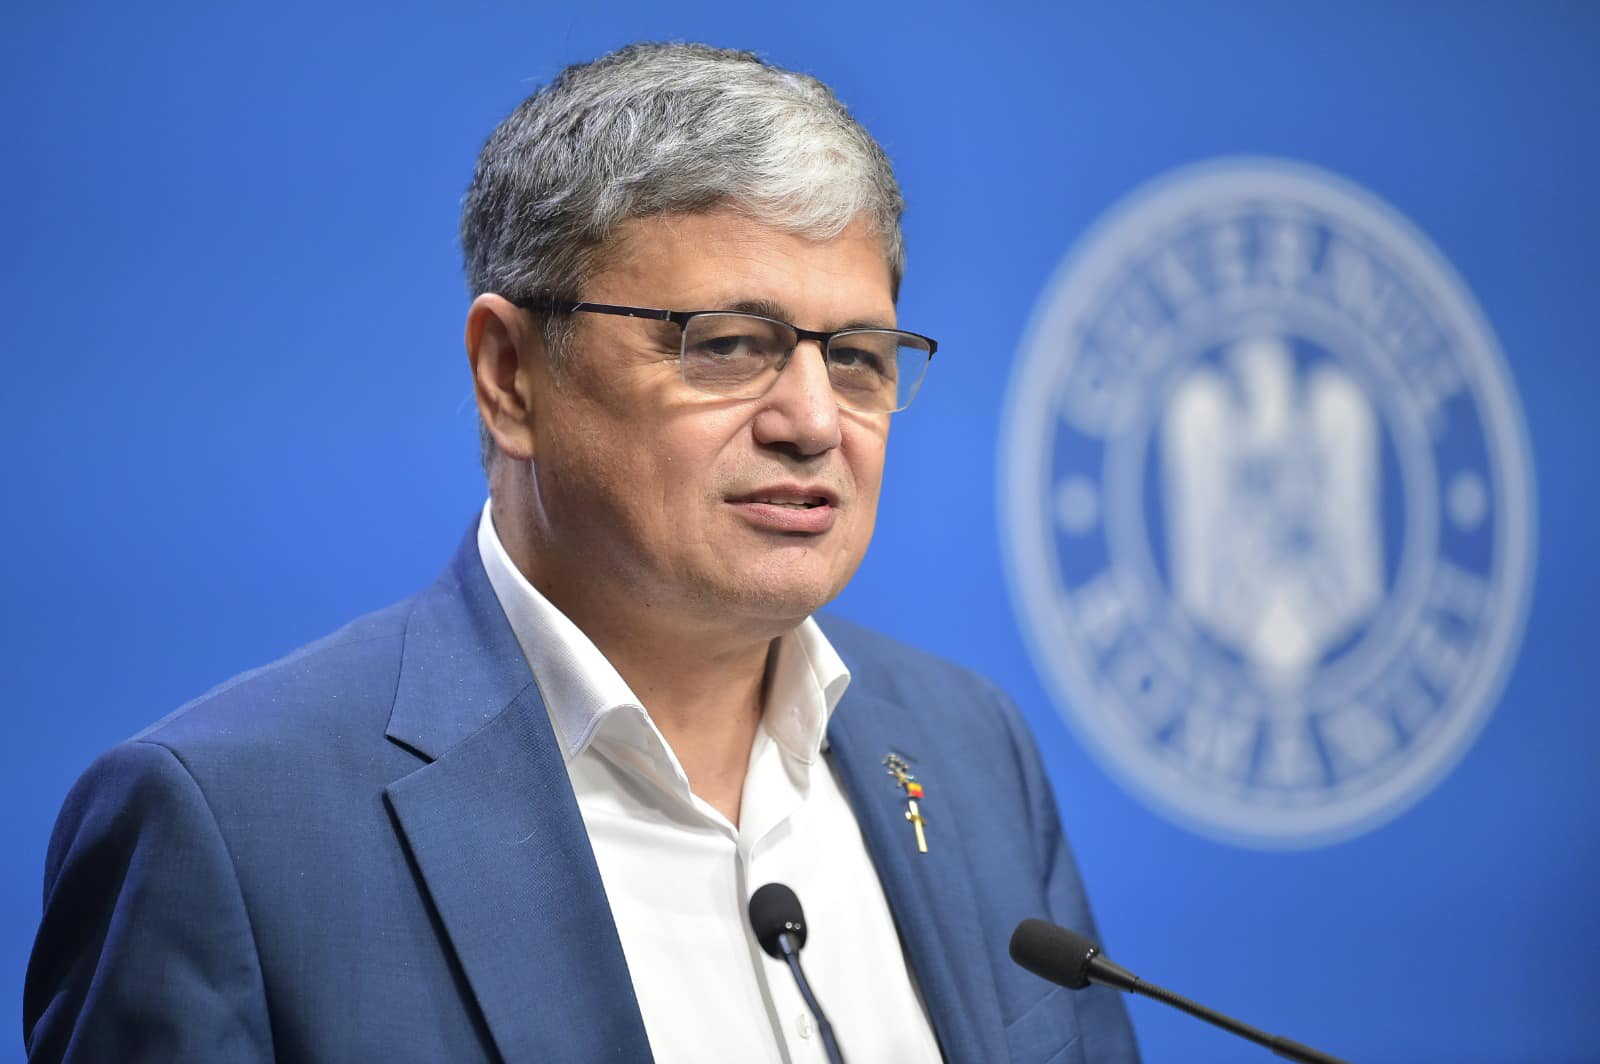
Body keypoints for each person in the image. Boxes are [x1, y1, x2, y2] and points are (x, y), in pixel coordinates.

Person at [23, 43, 1138, 1063]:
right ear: (510, 377)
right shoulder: (231, 828)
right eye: (728, 344)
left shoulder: (967, 748)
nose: (813, 420)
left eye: (856, 356)